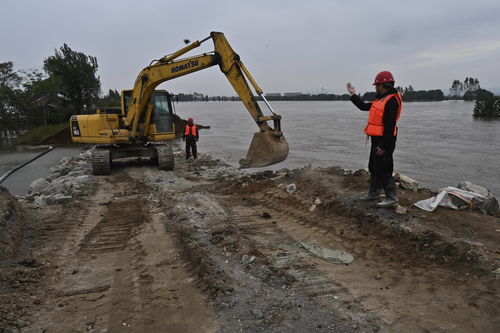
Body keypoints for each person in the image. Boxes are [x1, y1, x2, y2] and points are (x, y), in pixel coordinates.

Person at [347, 71, 402, 207]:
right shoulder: (381, 99)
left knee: (384, 168)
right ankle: (373, 194)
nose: (375, 88)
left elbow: (390, 126)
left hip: (385, 140)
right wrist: (353, 95)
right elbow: (364, 106)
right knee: (374, 166)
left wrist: (383, 146)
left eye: (376, 85)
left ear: (383, 85)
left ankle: (392, 197)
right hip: (377, 139)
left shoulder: (391, 101)